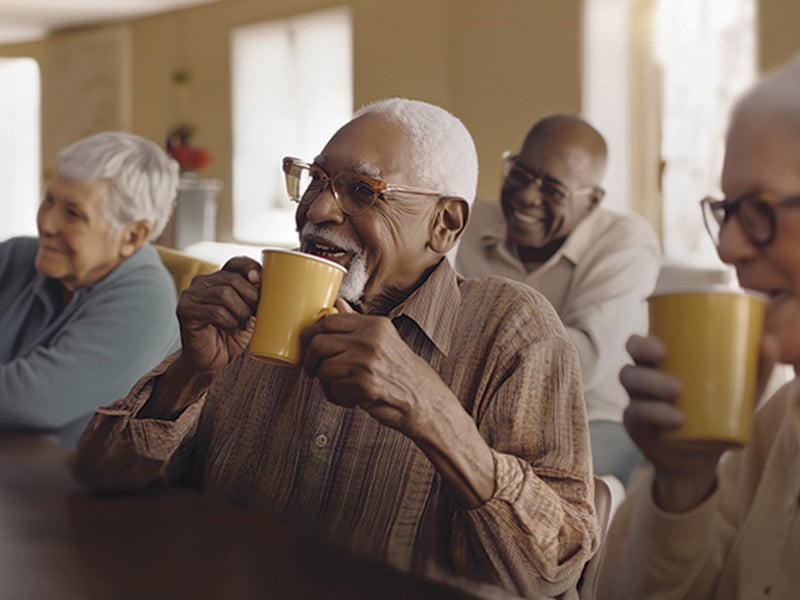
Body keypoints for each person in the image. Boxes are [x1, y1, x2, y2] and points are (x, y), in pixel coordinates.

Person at [73, 99, 598, 599]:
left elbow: (556, 569)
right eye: (316, 179)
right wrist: (190, 372)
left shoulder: (511, 330)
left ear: (445, 225)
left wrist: (432, 411)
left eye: (362, 191)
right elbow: (101, 477)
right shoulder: (253, 312)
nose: (318, 209)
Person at [587, 56, 800, 598]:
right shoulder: (776, 423)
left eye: (760, 210)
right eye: (726, 211)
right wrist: (683, 484)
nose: (727, 246)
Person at [456, 115, 661, 485]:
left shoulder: (625, 242)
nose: (526, 196)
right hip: (470, 417)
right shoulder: (465, 221)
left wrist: (463, 351)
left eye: (552, 190)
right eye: (519, 174)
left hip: (587, 423)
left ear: (593, 201)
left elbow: (578, 362)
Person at [0, 132, 181, 447]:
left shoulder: (147, 299)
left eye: (73, 213)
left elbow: (34, 399)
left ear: (133, 236)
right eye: (49, 200)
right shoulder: (17, 257)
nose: (47, 224)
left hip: (56, 488)